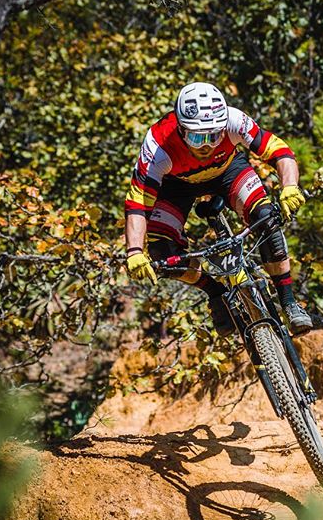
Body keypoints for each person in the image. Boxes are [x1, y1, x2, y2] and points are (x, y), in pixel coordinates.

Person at [124, 81, 312, 336]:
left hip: (227, 173)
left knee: (266, 219)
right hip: (176, 187)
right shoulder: (158, 145)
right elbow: (137, 203)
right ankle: (215, 291)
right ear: (180, 129)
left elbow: (280, 151)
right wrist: (134, 251)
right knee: (162, 257)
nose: (206, 145)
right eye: (196, 137)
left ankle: (289, 302)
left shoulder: (233, 120)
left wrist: (290, 186)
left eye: (214, 135)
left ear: (223, 127)